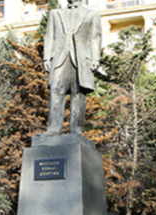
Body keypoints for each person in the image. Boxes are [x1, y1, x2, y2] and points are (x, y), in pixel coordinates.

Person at [41, 0, 101, 135]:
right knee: (56, 89)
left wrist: (95, 58)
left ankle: (76, 130)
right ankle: (54, 128)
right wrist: (47, 57)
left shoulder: (92, 14)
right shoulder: (55, 13)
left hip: (81, 59)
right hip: (60, 57)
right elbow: (49, 36)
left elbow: (95, 38)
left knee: (78, 93)